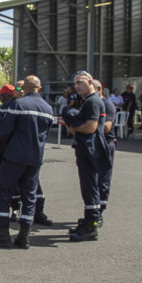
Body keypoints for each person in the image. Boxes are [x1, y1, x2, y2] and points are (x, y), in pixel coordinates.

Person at [0, 75, 54, 249]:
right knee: (29, 195)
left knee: (3, 192)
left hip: (15, 156)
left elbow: (5, 131)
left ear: (24, 88)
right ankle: (24, 235)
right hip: (35, 158)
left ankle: (2, 233)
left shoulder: (18, 104)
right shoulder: (48, 108)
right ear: (39, 88)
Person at [63, 71, 110, 242]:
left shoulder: (93, 101)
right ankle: (89, 220)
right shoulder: (87, 101)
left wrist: (73, 128)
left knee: (90, 187)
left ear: (90, 82)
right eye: (75, 83)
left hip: (91, 149)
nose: (77, 86)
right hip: (86, 148)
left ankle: (91, 226)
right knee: (88, 186)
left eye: (80, 82)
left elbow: (90, 127)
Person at [93, 79, 116, 226]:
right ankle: (92, 211)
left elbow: (107, 127)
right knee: (92, 179)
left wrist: (86, 127)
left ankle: (100, 211)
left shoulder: (108, 105)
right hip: (93, 144)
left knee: (103, 178)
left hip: (106, 144)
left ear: (98, 89)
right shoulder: (91, 103)